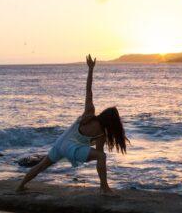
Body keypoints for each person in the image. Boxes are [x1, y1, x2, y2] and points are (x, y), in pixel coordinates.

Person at [16, 54, 128, 194]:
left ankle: (20, 186)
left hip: (60, 143)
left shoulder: (89, 114)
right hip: (70, 148)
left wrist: (91, 69)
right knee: (102, 157)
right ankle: (104, 188)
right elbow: (99, 154)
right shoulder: (101, 134)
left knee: (41, 166)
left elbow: (89, 91)